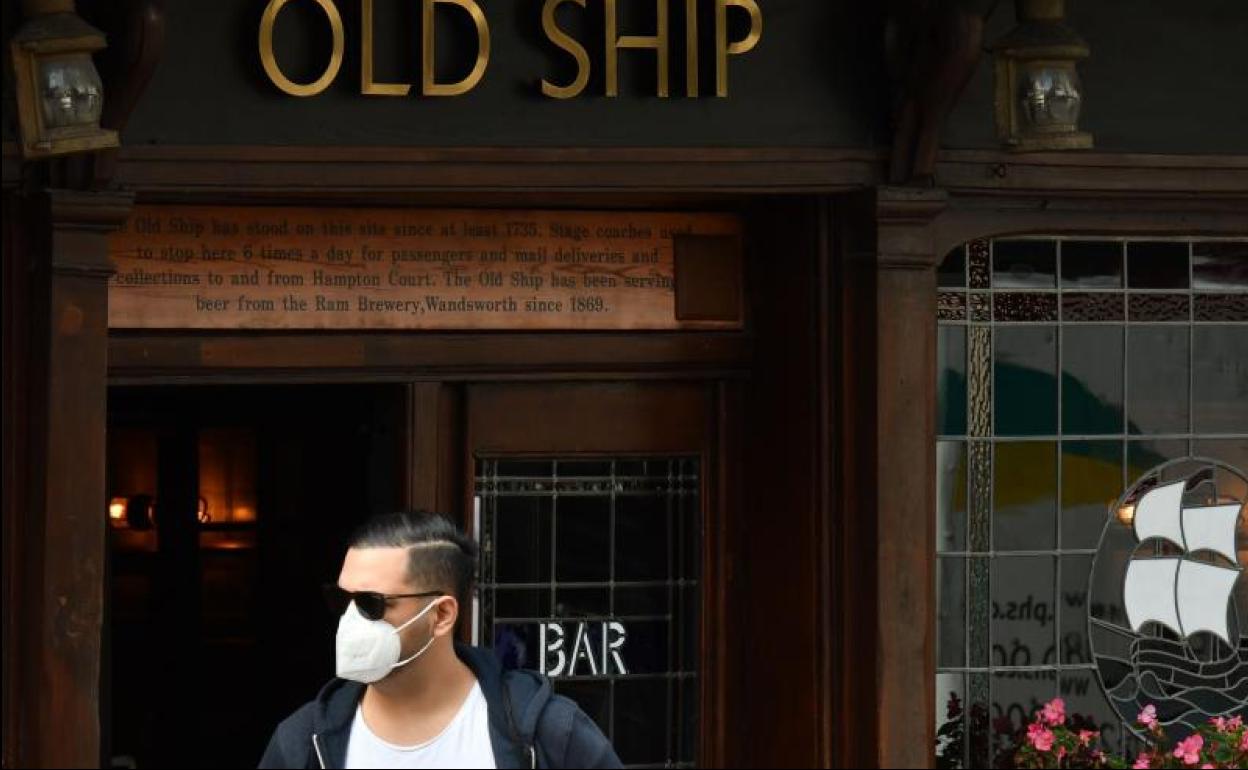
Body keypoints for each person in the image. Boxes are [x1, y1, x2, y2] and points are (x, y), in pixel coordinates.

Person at [259, 511, 621, 769]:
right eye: (341, 600)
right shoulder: (302, 743)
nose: (351, 619)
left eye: (370, 603)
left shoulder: (550, 733)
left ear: (442, 615)